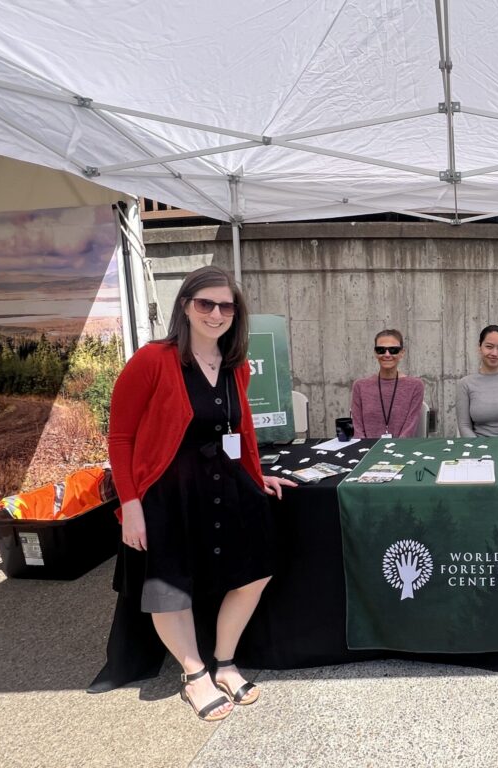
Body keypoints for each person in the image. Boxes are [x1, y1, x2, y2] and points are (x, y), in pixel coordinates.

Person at [108, 265, 295, 722]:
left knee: (254, 572)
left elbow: (241, 429)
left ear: (236, 312)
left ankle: (225, 661)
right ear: (185, 307)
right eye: (205, 304)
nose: (215, 313)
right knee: (171, 585)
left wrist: (256, 474)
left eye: (225, 305)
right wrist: (130, 505)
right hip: (169, 492)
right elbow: (120, 439)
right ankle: (194, 674)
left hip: (227, 486)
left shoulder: (237, 365)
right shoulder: (153, 360)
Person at [350, 329, 425, 438]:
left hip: (400, 450)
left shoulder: (415, 386)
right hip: (367, 450)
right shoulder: (360, 386)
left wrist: (393, 449)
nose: (387, 354)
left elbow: (410, 427)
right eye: (381, 350)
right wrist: (366, 449)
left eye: (393, 350)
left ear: (402, 353)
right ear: (375, 353)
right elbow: (357, 427)